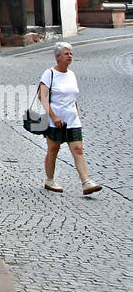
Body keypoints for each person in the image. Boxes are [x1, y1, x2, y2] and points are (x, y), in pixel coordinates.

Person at [39, 42, 101, 196]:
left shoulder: (71, 74)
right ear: (57, 56)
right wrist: (53, 116)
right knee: (53, 150)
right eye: (66, 53)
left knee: (78, 149)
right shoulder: (49, 74)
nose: (70, 56)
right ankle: (49, 179)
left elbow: (73, 98)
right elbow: (42, 96)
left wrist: (77, 116)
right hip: (55, 120)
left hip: (72, 119)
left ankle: (86, 182)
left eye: (71, 53)